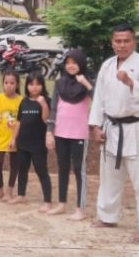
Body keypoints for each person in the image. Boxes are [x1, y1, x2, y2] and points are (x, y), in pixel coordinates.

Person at [89, 23, 139, 243]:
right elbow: (99, 98)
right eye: (117, 41)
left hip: (137, 129)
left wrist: (131, 83)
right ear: (112, 43)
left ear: (134, 42)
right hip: (112, 127)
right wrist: (96, 126)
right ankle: (107, 216)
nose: (121, 45)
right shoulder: (108, 65)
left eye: (126, 41)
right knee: (109, 177)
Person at [46, 49, 93, 219]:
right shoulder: (59, 84)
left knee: (79, 170)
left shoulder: (87, 83)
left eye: (75, 62)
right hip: (60, 133)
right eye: (68, 63)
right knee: (62, 168)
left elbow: (99, 100)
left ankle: (80, 209)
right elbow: (53, 109)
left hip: (79, 134)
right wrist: (49, 132)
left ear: (81, 64)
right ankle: (62, 204)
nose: (71, 66)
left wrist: (86, 85)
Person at [9, 72, 53, 212]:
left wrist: (43, 104)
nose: (34, 87)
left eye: (37, 84)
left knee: (42, 171)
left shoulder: (46, 100)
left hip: (38, 144)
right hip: (23, 142)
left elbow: (46, 119)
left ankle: (47, 201)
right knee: (22, 169)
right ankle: (21, 195)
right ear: (26, 86)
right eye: (31, 84)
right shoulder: (24, 101)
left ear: (42, 85)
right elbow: (19, 122)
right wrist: (13, 138)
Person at [0, 71, 21, 201]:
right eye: (6, 83)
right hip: (0, 137)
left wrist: (15, 138)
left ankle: (9, 191)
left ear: (17, 84)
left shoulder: (21, 100)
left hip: (15, 138)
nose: (9, 85)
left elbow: (21, 121)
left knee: (14, 165)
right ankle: (0, 190)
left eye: (12, 83)